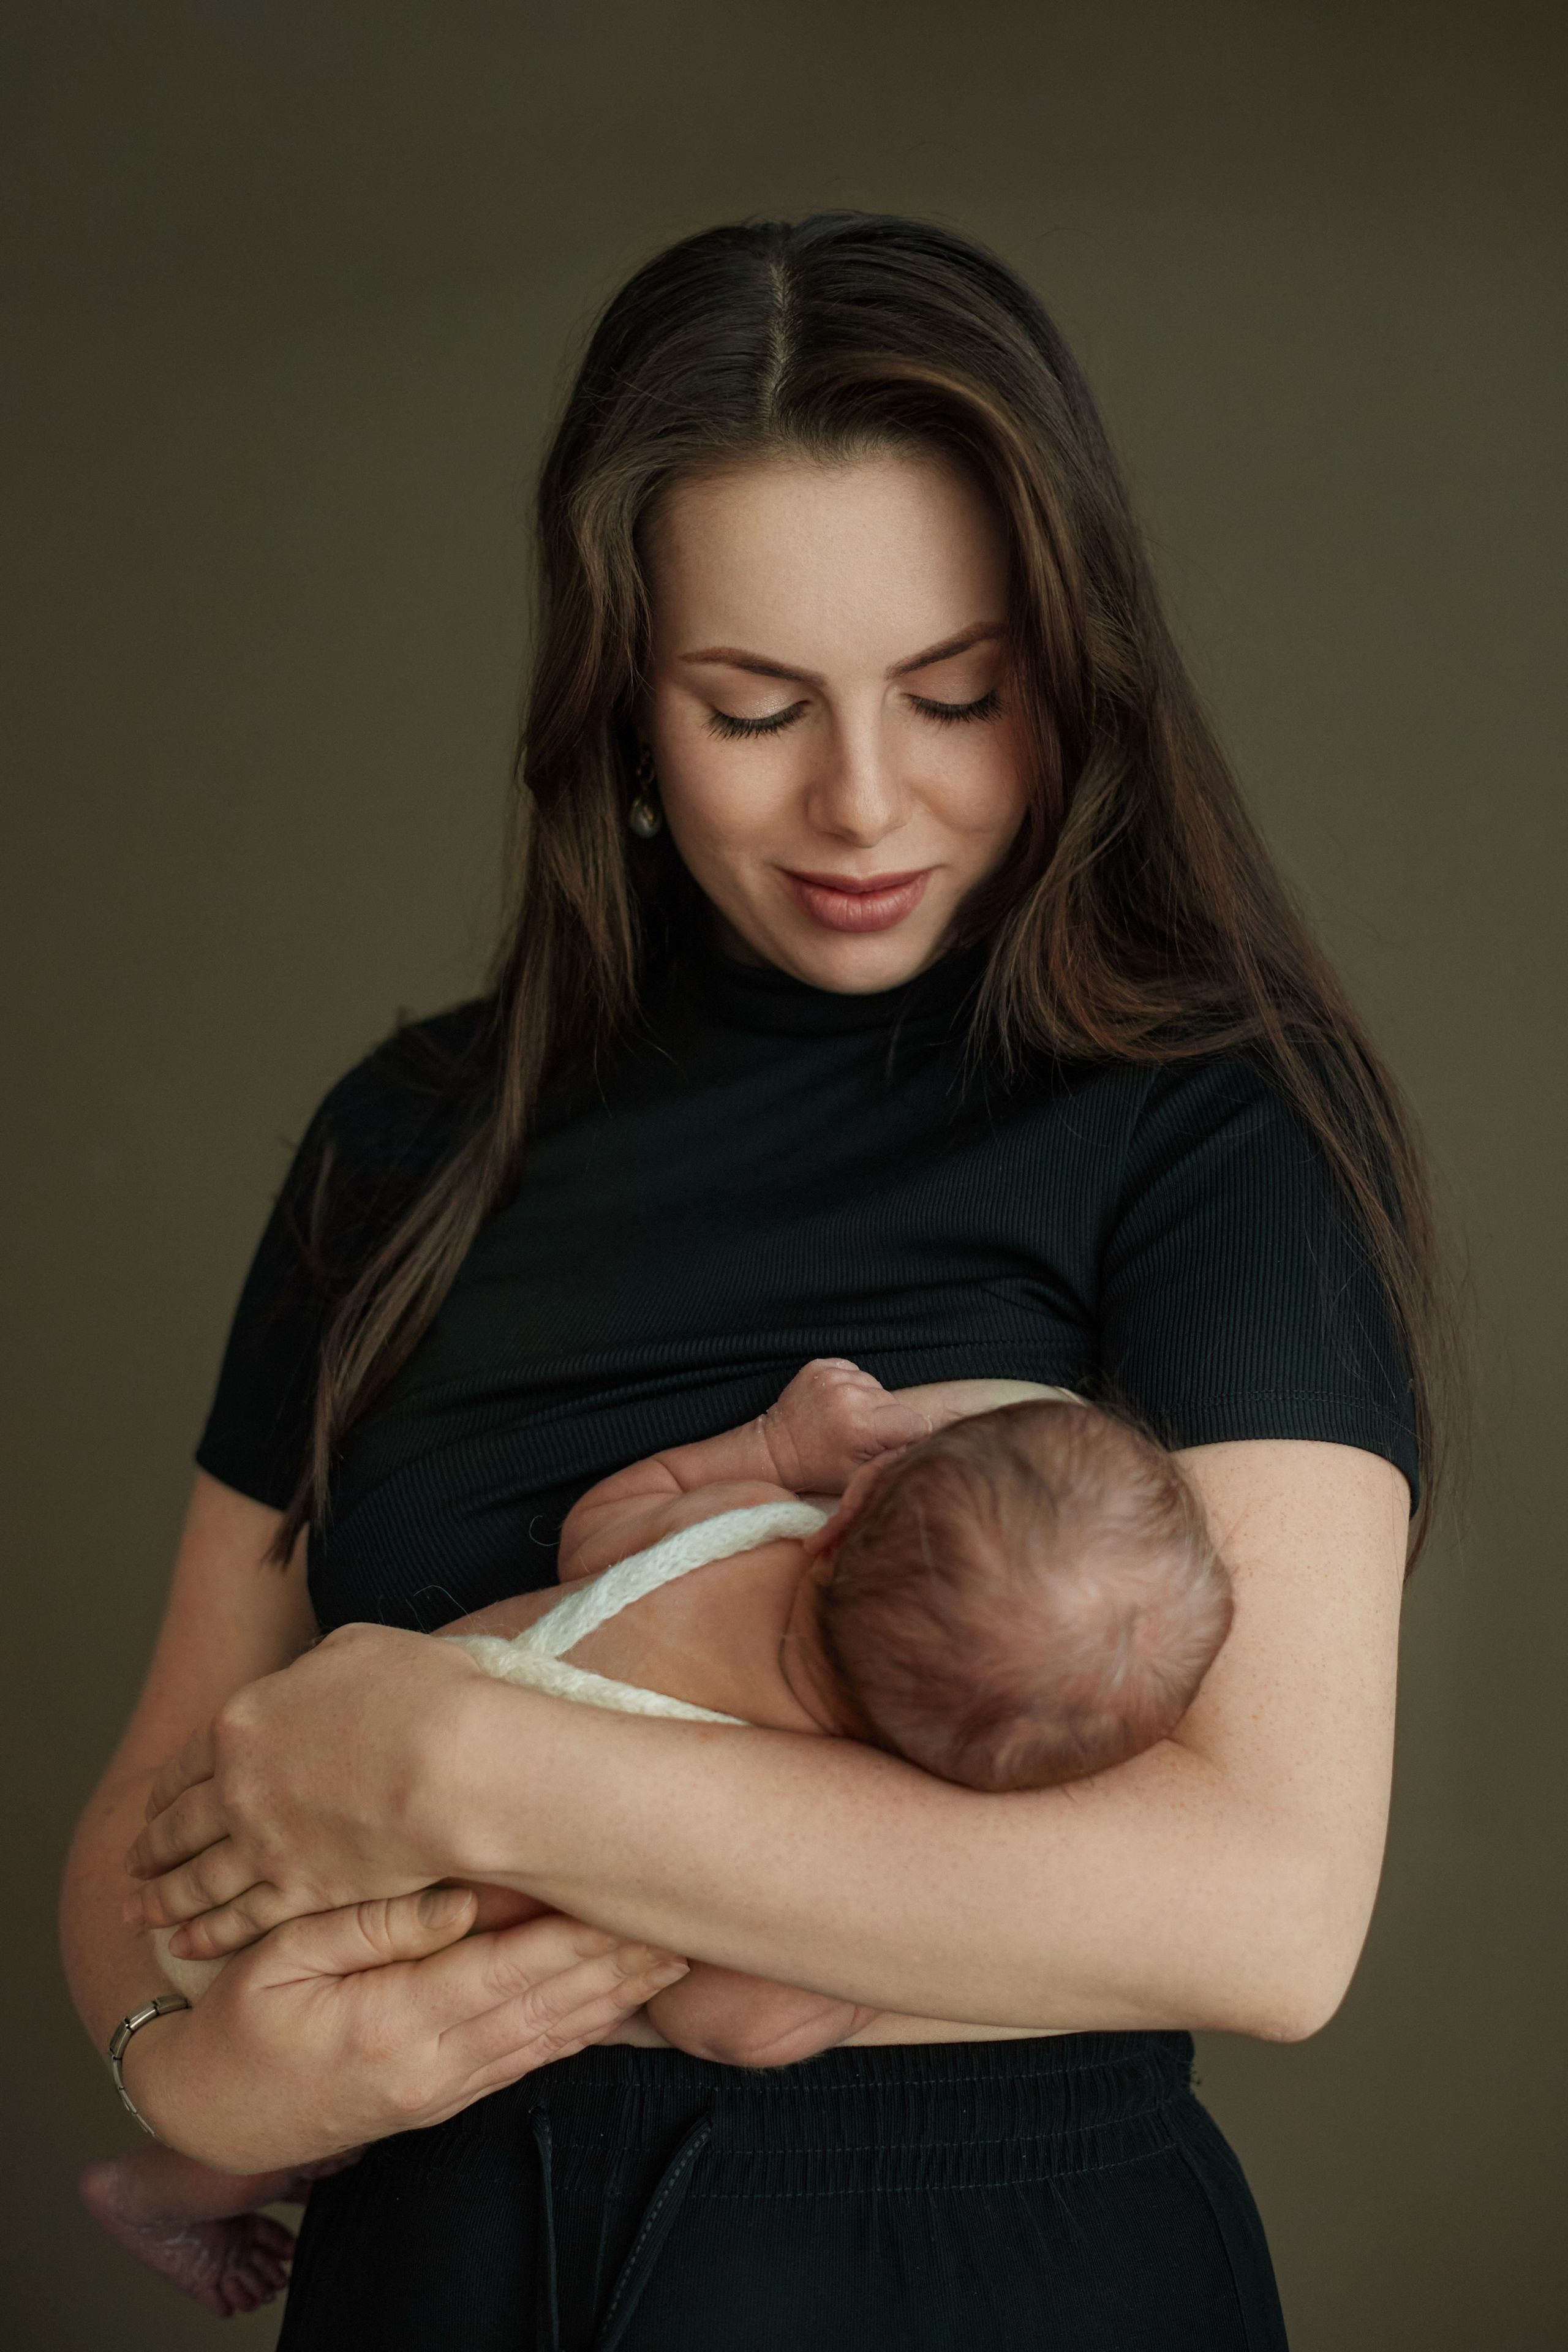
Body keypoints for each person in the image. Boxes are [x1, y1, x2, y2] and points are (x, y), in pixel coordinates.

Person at [65, 213, 1445, 2350]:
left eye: (958, 695)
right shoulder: (407, 1144)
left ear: (1071, 671)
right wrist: (205, 2069)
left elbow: (1267, 1912)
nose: (863, 797)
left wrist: (456, 1771)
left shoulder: (1212, 1125)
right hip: (433, 2278)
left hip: (989, 2276)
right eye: (754, 705)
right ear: (621, 694)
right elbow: (156, 1824)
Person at [81, 1362, 1235, 2314]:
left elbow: (602, 1529)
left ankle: (178, 2171)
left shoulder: (741, 1540)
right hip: (337, 1930)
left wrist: (777, 1452)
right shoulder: (800, 1805)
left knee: (301, 2059)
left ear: (845, 1525)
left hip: (269, 1801)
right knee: (329, 2100)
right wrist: (870, 1970)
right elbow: (729, 2022)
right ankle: (171, 2184)